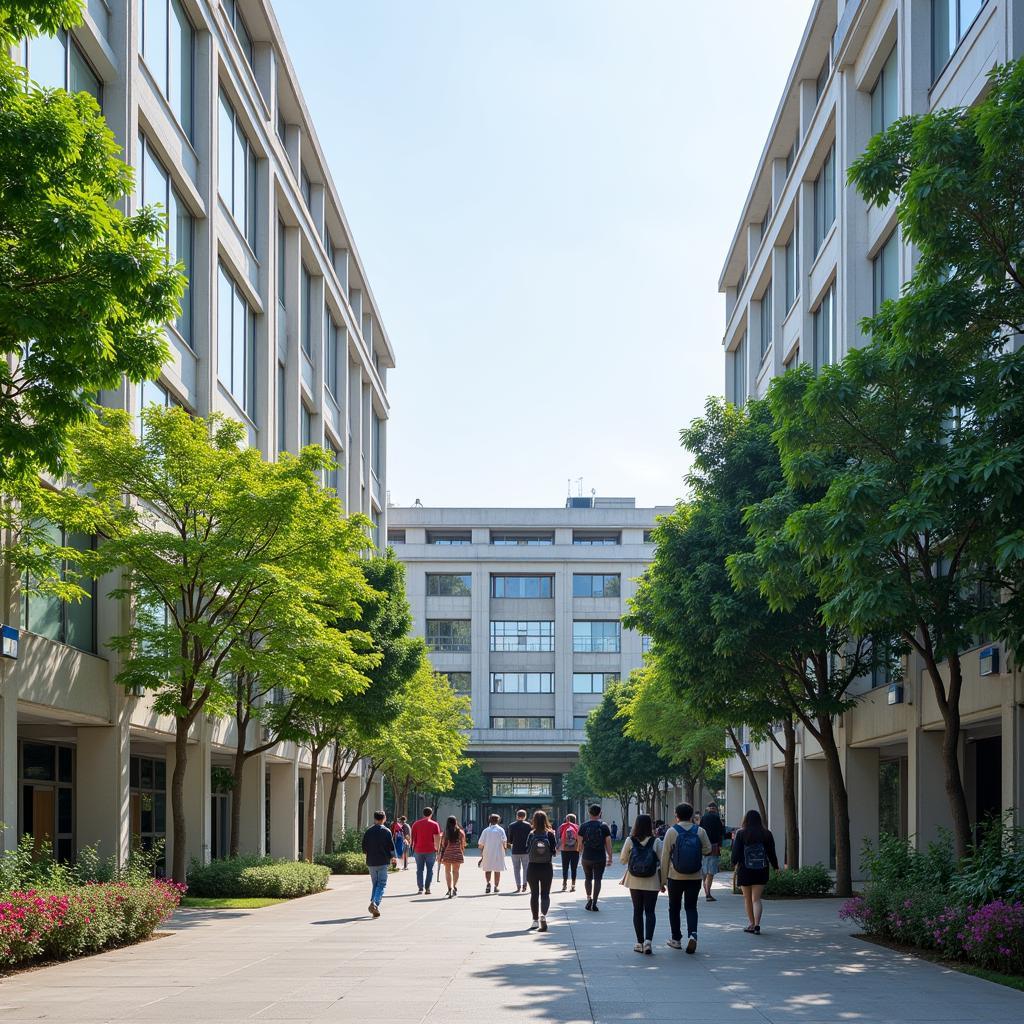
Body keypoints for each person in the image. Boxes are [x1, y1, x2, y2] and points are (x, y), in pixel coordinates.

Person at [661, 802, 712, 954]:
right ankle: (693, 934)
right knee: (691, 907)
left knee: (674, 908)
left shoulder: (672, 832)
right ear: (691, 816)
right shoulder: (700, 831)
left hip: (675, 876)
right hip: (695, 876)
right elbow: (708, 849)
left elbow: (664, 857)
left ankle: (676, 939)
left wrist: (662, 880)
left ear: (676, 816)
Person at [619, 813, 663, 954]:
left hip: (634, 880)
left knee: (637, 911)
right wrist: (664, 882)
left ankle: (639, 942)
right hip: (652, 880)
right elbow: (663, 861)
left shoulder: (630, 840)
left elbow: (623, 860)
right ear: (651, 825)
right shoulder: (656, 842)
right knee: (650, 911)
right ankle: (648, 942)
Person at [731, 808, 779, 934]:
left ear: (746, 820)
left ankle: (751, 924)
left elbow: (736, 852)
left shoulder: (740, 833)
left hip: (745, 869)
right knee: (756, 899)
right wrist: (776, 867)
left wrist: (733, 863)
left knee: (747, 899)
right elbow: (771, 853)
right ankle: (757, 924)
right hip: (762, 869)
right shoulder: (766, 834)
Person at [525, 810, 557, 932]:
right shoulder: (550, 834)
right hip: (546, 867)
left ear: (533, 820)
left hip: (532, 867)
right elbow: (554, 852)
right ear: (546, 820)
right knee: (545, 894)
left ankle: (534, 921)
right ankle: (543, 915)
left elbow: (527, 849)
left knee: (534, 894)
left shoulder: (531, 834)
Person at [362, 810, 397, 918]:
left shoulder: (368, 831)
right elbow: (391, 847)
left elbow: (364, 848)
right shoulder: (386, 831)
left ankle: (373, 903)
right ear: (384, 818)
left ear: (374, 818)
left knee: (376, 884)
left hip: (371, 862)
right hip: (383, 861)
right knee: (381, 883)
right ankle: (375, 903)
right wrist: (393, 858)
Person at [577, 804, 613, 911]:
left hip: (587, 857)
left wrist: (580, 854)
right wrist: (610, 857)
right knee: (598, 879)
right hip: (600, 857)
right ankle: (595, 902)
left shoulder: (583, 826)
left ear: (589, 813)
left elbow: (579, 845)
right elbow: (608, 843)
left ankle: (589, 899)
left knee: (588, 878)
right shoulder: (604, 826)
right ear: (600, 813)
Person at [410, 807, 442, 895]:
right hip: (430, 850)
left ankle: (420, 888)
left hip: (418, 849)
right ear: (431, 814)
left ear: (423, 814)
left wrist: (412, 847)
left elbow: (412, 838)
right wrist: (438, 850)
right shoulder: (434, 824)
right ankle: (427, 888)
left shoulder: (416, 824)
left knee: (419, 869)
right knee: (430, 869)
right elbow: (437, 838)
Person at [700, 802, 726, 901]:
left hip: (703, 847)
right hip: (714, 847)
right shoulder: (716, 818)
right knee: (711, 872)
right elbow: (722, 832)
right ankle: (708, 893)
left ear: (707, 808)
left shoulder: (704, 817)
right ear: (715, 809)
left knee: (704, 871)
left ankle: (706, 891)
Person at [477, 813, 508, 893]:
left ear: (489, 820)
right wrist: (505, 850)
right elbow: (504, 841)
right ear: (498, 820)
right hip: (498, 853)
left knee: (488, 869)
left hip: (487, 852)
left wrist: (481, 854)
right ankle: (496, 886)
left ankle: (488, 883)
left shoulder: (486, 830)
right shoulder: (501, 830)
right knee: (497, 870)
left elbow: (480, 844)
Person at [439, 815, 466, 897]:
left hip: (447, 854)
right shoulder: (460, 832)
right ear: (456, 822)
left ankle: (449, 888)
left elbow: (443, 844)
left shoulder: (445, 833)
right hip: (457, 853)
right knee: (456, 871)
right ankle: (454, 886)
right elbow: (463, 844)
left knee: (447, 871)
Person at [507, 809, 532, 893]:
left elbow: (509, 840)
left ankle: (518, 886)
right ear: (525, 816)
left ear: (517, 816)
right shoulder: (529, 825)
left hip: (515, 850)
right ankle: (525, 885)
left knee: (516, 869)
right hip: (526, 850)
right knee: (526, 868)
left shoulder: (511, 825)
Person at [557, 813, 580, 892]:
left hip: (565, 849)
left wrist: (557, 847)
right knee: (574, 868)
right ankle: (573, 885)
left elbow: (559, 837)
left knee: (565, 867)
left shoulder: (562, 827)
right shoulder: (577, 827)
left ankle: (564, 884)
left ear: (567, 819)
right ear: (575, 820)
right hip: (575, 850)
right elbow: (580, 839)